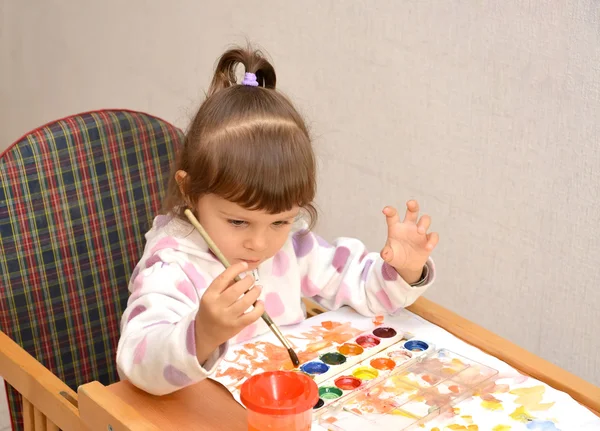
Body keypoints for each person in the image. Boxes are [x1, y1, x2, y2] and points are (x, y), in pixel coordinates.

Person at [116, 45, 439, 395]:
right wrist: (202, 333)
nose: (260, 243)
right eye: (238, 222)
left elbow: (362, 287)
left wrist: (406, 271)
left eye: (280, 222)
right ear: (190, 191)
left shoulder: (295, 247)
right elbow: (136, 365)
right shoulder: (172, 265)